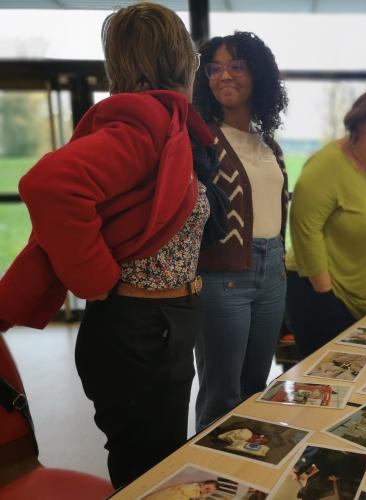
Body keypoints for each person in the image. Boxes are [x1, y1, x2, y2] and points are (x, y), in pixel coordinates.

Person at [0, 3, 229, 488]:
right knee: (147, 468)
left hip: (160, 322)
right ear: (181, 59)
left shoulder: (167, 124)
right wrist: (95, 279)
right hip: (138, 326)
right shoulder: (143, 122)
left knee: (156, 457)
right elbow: (51, 184)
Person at [192, 32, 289, 431]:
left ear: (258, 75)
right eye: (214, 69)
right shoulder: (200, 139)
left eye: (236, 65)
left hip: (273, 273)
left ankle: (248, 478)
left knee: (255, 389)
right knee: (221, 396)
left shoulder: (269, 145)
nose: (223, 76)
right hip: (223, 277)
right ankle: (211, 483)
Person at [286, 85, 366, 357]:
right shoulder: (326, 166)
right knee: (337, 389)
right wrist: (325, 297)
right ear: (359, 121)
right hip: (324, 297)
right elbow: (304, 230)